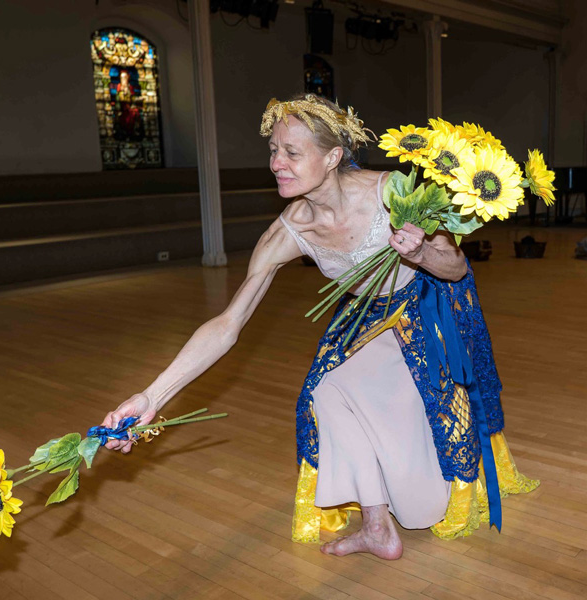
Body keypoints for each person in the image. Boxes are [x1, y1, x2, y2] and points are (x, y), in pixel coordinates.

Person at [101, 94, 539, 560]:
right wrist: (152, 396)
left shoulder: (392, 192)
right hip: (363, 320)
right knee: (324, 392)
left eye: (292, 152)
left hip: (425, 311)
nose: (277, 163)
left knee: (419, 491)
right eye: (274, 150)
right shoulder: (290, 230)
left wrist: (422, 252)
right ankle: (377, 527)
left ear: (332, 158)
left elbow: (454, 268)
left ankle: (413, 490)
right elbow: (229, 323)